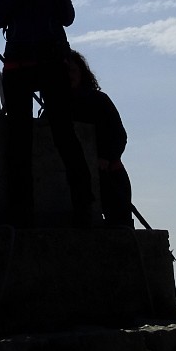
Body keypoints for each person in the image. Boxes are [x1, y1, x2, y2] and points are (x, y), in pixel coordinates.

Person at [0, 0, 94, 227]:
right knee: (18, 139)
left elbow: (68, 17)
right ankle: (22, 212)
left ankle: (83, 206)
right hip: (18, 63)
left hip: (50, 61)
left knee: (64, 133)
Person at [67, 51, 135, 228]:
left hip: (110, 175)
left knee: (121, 227)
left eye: (72, 71)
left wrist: (106, 158)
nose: (68, 76)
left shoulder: (99, 100)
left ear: (81, 73)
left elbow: (119, 135)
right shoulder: (55, 109)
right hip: (77, 180)